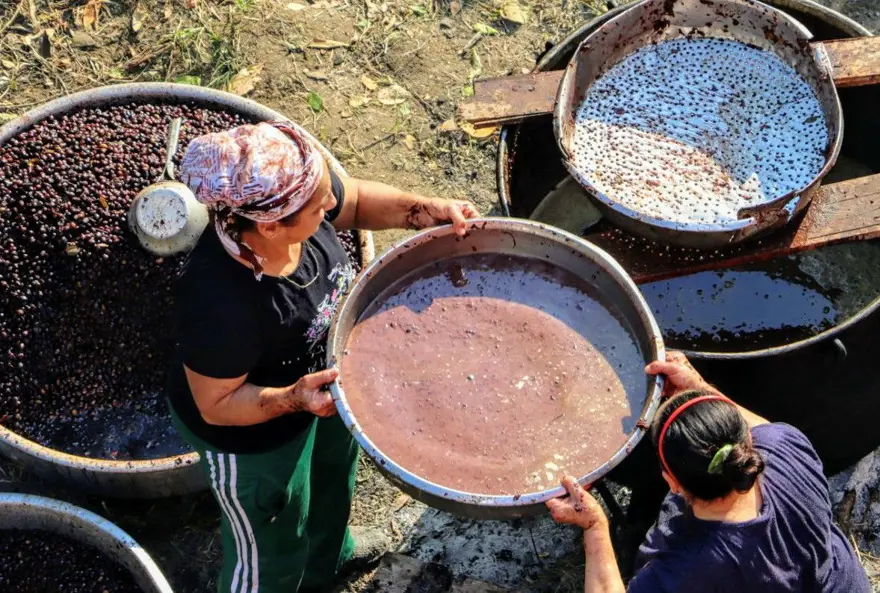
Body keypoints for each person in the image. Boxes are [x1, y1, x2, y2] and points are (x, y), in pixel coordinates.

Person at [165, 121, 479, 593]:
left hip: (322, 383)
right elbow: (218, 403)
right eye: (317, 208)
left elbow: (350, 199)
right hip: (254, 430)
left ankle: (328, 565)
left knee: (332, 483)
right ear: (270, 225)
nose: (329, 206)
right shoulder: (219, 303)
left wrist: (421, 211)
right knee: (271, 537)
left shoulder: (296, 187)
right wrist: (293, 399)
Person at [547, 351, 871, 593]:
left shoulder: (686, 569)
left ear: (671, 483)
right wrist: (700, 388)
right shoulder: (787, 446)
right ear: (746, 443)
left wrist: (594, 527)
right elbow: (757, 429)